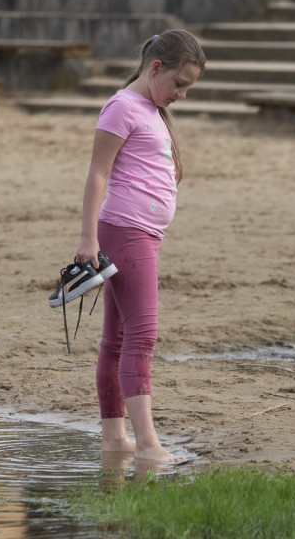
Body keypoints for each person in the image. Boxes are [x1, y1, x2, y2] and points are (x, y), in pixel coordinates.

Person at [72, 29, 205, 463]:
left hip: (142, 234)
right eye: (179, 84)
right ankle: (148, 444)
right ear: (155, 68)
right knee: (142, 336)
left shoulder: (149, 107)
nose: (182, 94)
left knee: (118, 338)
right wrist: (88, 238)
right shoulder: (122, 107)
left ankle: (115, 440)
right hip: (126, 232)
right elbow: (97, 175)